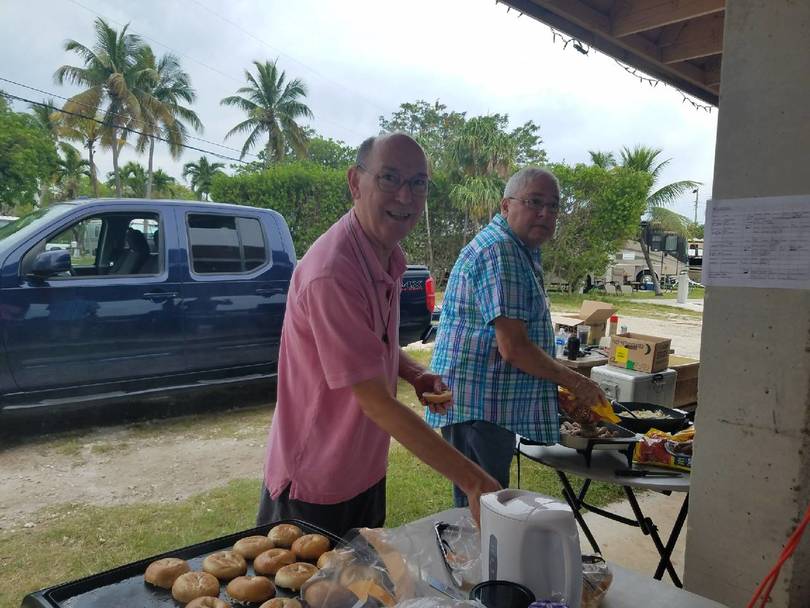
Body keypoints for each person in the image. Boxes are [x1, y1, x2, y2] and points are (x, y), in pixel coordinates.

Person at [258, 133, 500, 536]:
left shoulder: (384, 255)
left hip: (364, 469)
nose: (405, 196)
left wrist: (414, 373)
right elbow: (376, 403)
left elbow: (371, 349)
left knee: (363, 591)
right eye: (389, 178)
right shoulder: (333, 272)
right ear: (356, 182)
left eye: (418, 183)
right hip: (315, 482)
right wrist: (474, 480)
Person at [425, 166, 607, 507]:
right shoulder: (501, 251)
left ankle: (483, 559)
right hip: (479, 408)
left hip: (484, 406)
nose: (545, 213)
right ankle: (482, 562)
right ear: (505, 206)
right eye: (534, 202)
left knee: (482, 506)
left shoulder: (518, 248)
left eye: (553, 206)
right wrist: (577, 382)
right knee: (485, 509)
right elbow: (515, 349)